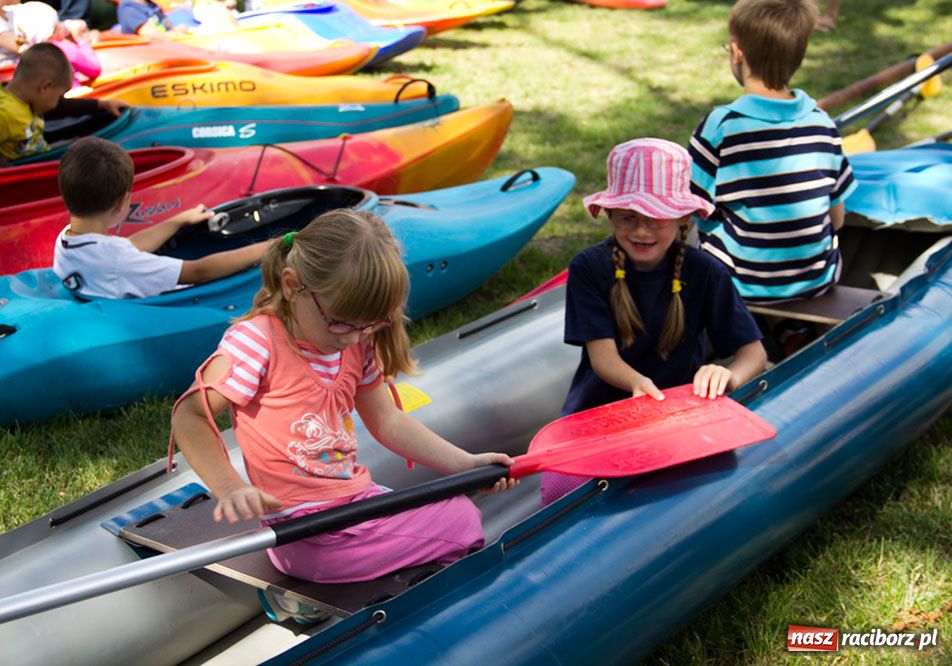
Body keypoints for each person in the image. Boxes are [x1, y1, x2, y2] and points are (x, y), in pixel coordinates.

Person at [169, 209, 517, 599]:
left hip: (351, 507)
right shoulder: (258, 342)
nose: (353, 338)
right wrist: (230, 487)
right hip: (305, 534)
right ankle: (449, 601)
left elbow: (388, 421)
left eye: (370, 325)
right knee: (463, 519)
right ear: (292, 285)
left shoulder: (356, 345)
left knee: (447, 503)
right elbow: (190, 414)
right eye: (340, 322)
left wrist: (465, 464)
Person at [541, 139, 768, 506]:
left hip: (678, 417)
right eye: (628, 217)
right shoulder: (589, 268)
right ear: (611, 215)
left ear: (683, 218)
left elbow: (753, 352)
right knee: (559, 490)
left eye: (655, 219)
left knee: (710, 488)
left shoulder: (705, 271)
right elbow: (603, 358)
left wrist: (729, 376)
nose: (642, 232)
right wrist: (638, 385)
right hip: (600, 415)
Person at [688, 0, 856, 303]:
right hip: (814, 280)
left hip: (738, 285)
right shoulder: (823, 124)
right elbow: (838, 218)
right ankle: (787, 328)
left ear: (737, 53)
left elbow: (685, 205)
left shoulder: (722, 125)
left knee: (689, 233)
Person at [52, 137, 273, 299]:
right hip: (179, 303)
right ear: (122, 202)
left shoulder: (67, 238)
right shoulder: (117, 261)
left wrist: (176, 222)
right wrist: (271, 246)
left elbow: (125, 247)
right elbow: (199, 271)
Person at [0, 44, 126, 171]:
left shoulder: (23, 98)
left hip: (40, 151)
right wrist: (8, 174)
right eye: (59, 95)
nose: (59, 101)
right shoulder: (5, 112)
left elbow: (59, 108)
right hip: (28, 165)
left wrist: (102, 104)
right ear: (45, 87)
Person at [10, 1, 102, 86]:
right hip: (73, 99)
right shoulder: (65, 49)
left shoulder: (25, 59)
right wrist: (81, 40)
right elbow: (95, 69)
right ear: (53, 33)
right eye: (58, 23)